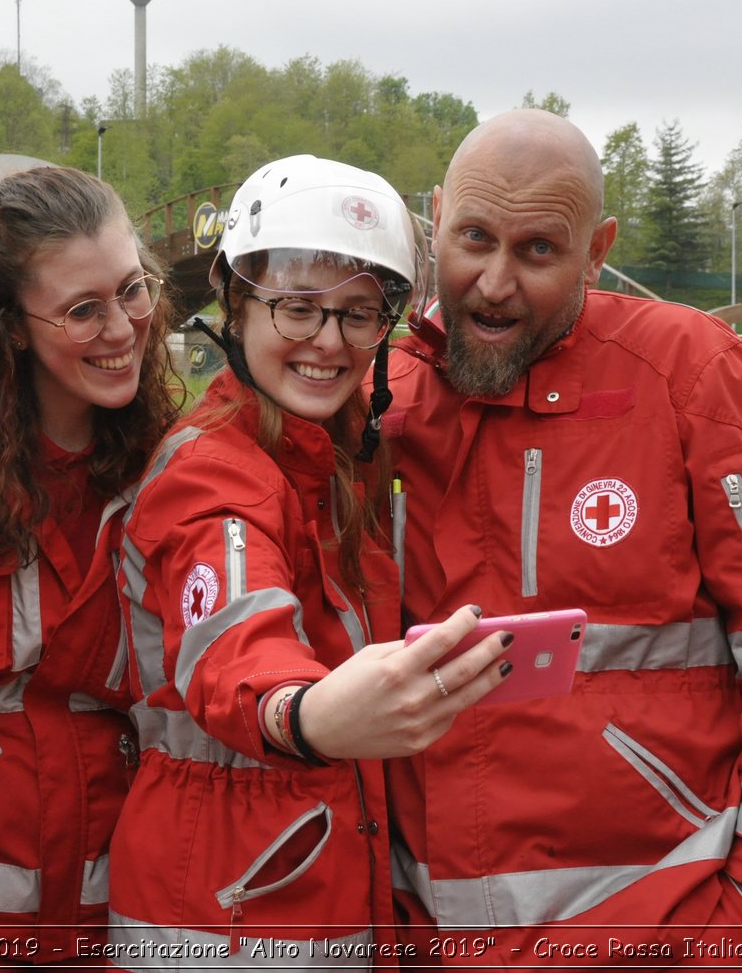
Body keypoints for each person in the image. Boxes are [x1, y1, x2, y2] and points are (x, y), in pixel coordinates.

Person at [382, 109, 742, 966]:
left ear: (596, 250)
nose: (495, 282)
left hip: (660, 937)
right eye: (473, 237)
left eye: (538, 250)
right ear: (435, 217)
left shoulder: (693, 374)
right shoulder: (382, 399)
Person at [107, 155, 512, 968]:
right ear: (235, 307)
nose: (328, 343)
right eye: (298, 310)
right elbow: (233, 636)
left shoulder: (343, 450)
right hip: (220, 908)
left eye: (359, 314)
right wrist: (304, 713)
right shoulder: (211, 473)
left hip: (301, 872)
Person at [0, 166, 180, 966]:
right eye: (82, 310)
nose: (122, 329)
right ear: (11, 327)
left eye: (132, 290)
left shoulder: (173, 467)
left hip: (120, 914)